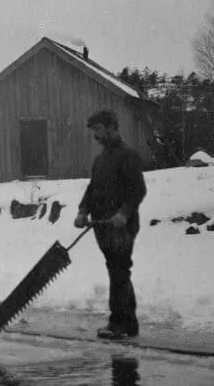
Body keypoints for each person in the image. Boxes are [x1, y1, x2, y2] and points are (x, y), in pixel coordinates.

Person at [73, 109, 147, 340]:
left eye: (98, 129)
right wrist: (82, 210)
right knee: (117, 270)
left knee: (119, 270)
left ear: (111, 128)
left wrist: (124, 213)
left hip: (121, 226)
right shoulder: (101, 159)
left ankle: (118, 323)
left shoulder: (128, 155)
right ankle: (129, 323)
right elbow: (92, 188)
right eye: (93, 130)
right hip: (102, 225)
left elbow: (138, 189)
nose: (95, 135)